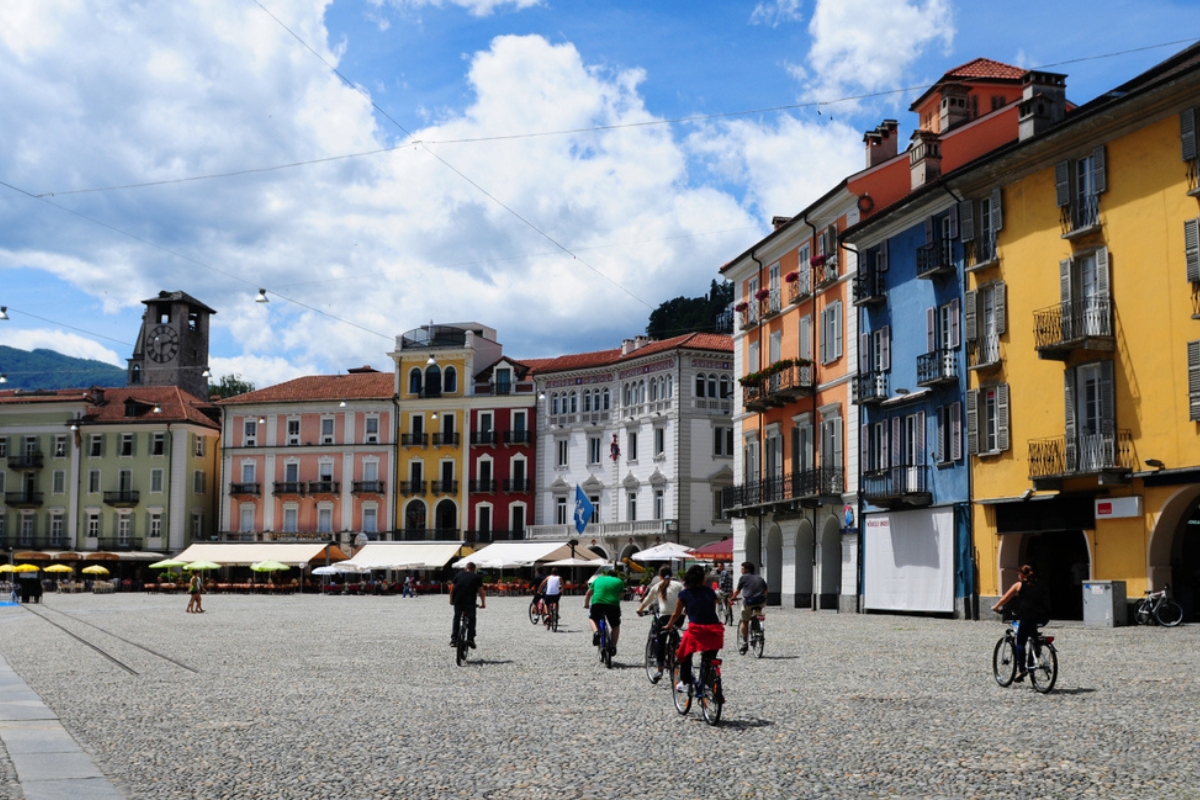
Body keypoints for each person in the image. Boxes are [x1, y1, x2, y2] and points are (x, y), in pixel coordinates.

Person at [666, 564, 724, 694]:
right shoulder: (710, 592)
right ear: (703, 578)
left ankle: (686, 682)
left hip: (696, 630)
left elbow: (676, 614)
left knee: (684, 653)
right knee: (709, 657)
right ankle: (709, 680)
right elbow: (710, 610)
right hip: (715, 630)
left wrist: (669, 625)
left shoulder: (684, 594)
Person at [992, 564, 1051, 681]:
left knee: (1020, 642)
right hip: (1044, 617)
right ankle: (1036, 648)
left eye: (1018, 574)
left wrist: (996, 607)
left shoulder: (1019, 585)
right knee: (1032, 632)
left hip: (1029, 617)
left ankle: (1022, 670)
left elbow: (1004, 599)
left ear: (1022, 575)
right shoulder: (1040, 584)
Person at [636, 565, 684, 683]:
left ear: (660, 576)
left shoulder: (657, 585)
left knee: (660, 642)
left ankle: (660, 669)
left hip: (665, 617)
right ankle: (676, 651)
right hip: (679, 616)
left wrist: (640, 610)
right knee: (675, 633)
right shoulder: (678, 585)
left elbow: (647, 599)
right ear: (671, 575)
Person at [583, 567, 625, 656]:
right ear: (615, 576)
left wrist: (586, 604)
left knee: (592, 618)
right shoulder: (619, 581)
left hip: (597, 603)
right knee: (615, 626)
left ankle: (596, 632)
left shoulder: (598, 579)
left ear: (607, 575)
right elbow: (620, 596)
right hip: (613, 605)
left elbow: (588, 594)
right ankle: (613, 646)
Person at [730, 561, 767, 654]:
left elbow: (737, 591)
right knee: (758, 612)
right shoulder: (759, 577)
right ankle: (758, 625)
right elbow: (766, 591)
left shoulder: (743, 577)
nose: (741, 570)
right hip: (761, 601)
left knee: (745, 621)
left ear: (746, 569)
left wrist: (733, 597)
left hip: (749, 602)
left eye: (742, 568)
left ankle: (745, 642)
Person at [450, 561, 486, 648]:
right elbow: (481, 592)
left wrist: (451, 600)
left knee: (456, 618)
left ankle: (454, 640)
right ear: (474, 569)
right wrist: (483, 603)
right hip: (470, 602)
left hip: (458, 601)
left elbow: (452, 589)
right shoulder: (477, 577)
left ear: (466, 568)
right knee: (472, 619)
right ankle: (470, 639)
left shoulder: (458, 575)